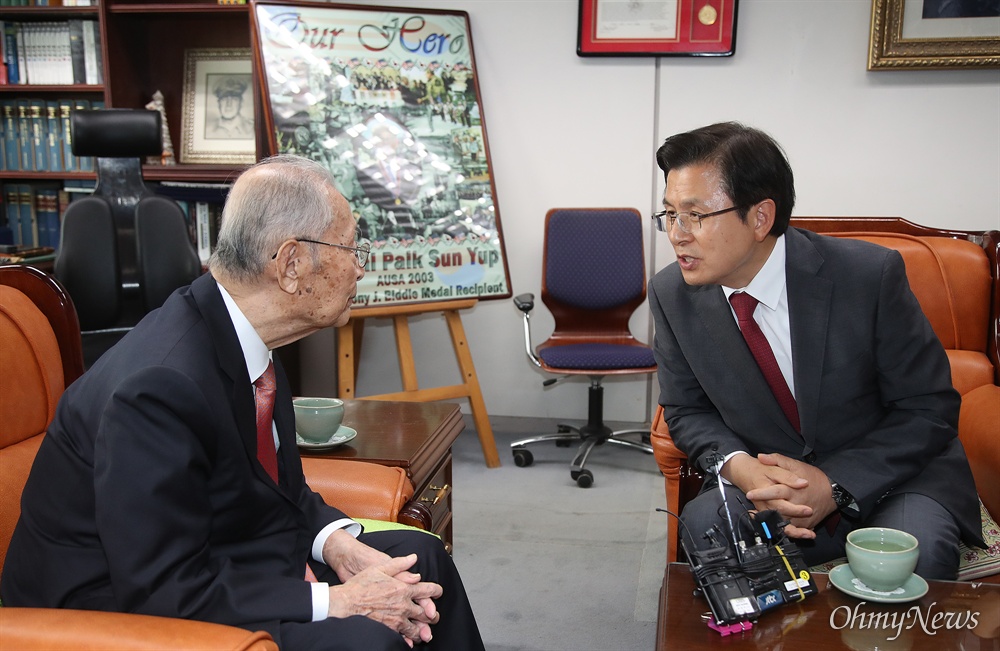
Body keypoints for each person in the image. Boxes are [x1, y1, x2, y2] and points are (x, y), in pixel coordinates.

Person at [0, 155, 485, 651]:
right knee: (364, 639)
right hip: (112, 616)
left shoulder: (245, 338)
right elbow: (164, 591)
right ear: (291, 263)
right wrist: (336, 602)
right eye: (349, 247)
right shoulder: (156, 390)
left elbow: (280, 493)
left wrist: (338, 545)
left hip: (217, 557)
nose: (360, 267)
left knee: (420, 556)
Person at [647, 122, 983, 580]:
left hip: (893, 480)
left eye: (695, 215)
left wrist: (834, 484)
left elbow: (928, 409)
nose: (677, 234)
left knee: (913, 556)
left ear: (761, 217)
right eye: (669, 214)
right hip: (769, 484)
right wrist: (742, 468)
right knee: (710, 531)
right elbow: (686, 409)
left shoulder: (867, 277)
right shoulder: (672, 294)